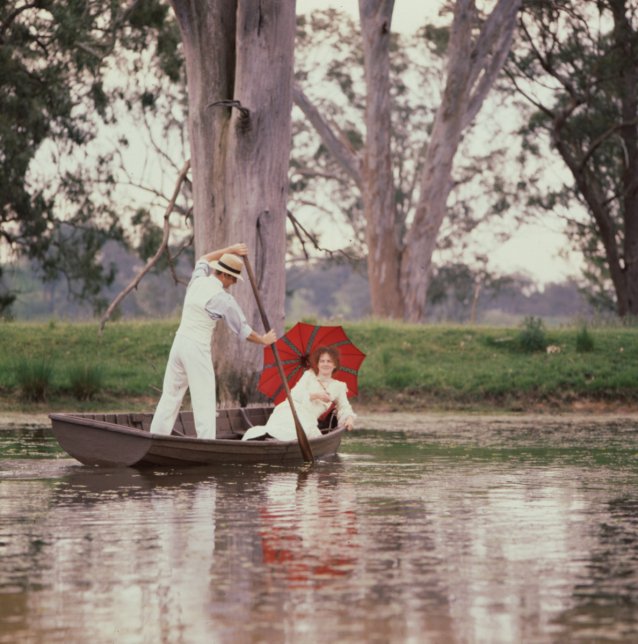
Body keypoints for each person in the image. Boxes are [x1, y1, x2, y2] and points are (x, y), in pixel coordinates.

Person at [150, 243, 276, 439]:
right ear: (225, 275)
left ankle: (156, 436)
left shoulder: (197, 279)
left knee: (171, 395)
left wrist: (231, 249)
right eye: (233, 278)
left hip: (179, 344)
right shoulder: (223, 299)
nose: (233, 282)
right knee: (205, 398)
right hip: (196, 348)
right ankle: (206, 442)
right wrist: (263, 339)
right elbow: (243, 330)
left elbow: (204, 258)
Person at [242, 345, 355, 442]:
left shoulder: (339, 386)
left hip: (308, 417)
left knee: (303, 428)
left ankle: (279, 440)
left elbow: (344, 407)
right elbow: (295, 395)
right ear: (318, 363)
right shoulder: (308, 375)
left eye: (329, 361)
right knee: (280, 424)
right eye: (322, 361)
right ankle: (268, 438)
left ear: (335, 365)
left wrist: (349, 418)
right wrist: (316, 395)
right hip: (291, 409)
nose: (325, 364)